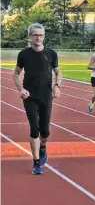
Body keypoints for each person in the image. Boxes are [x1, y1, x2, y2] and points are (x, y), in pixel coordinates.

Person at [12, 23, 62, 174]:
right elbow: (16, 73)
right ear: (30, 36)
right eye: (35, 35)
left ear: (44, 37)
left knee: (45, 131)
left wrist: (57, 86)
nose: (38, 37)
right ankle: (36, 163)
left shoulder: (51, 54)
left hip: (46, 95)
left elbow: (58, 72)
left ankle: (42, 147)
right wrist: (21, 89)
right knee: (34, 128)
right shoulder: (24, 54)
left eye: (40, 35)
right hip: (30, 96)